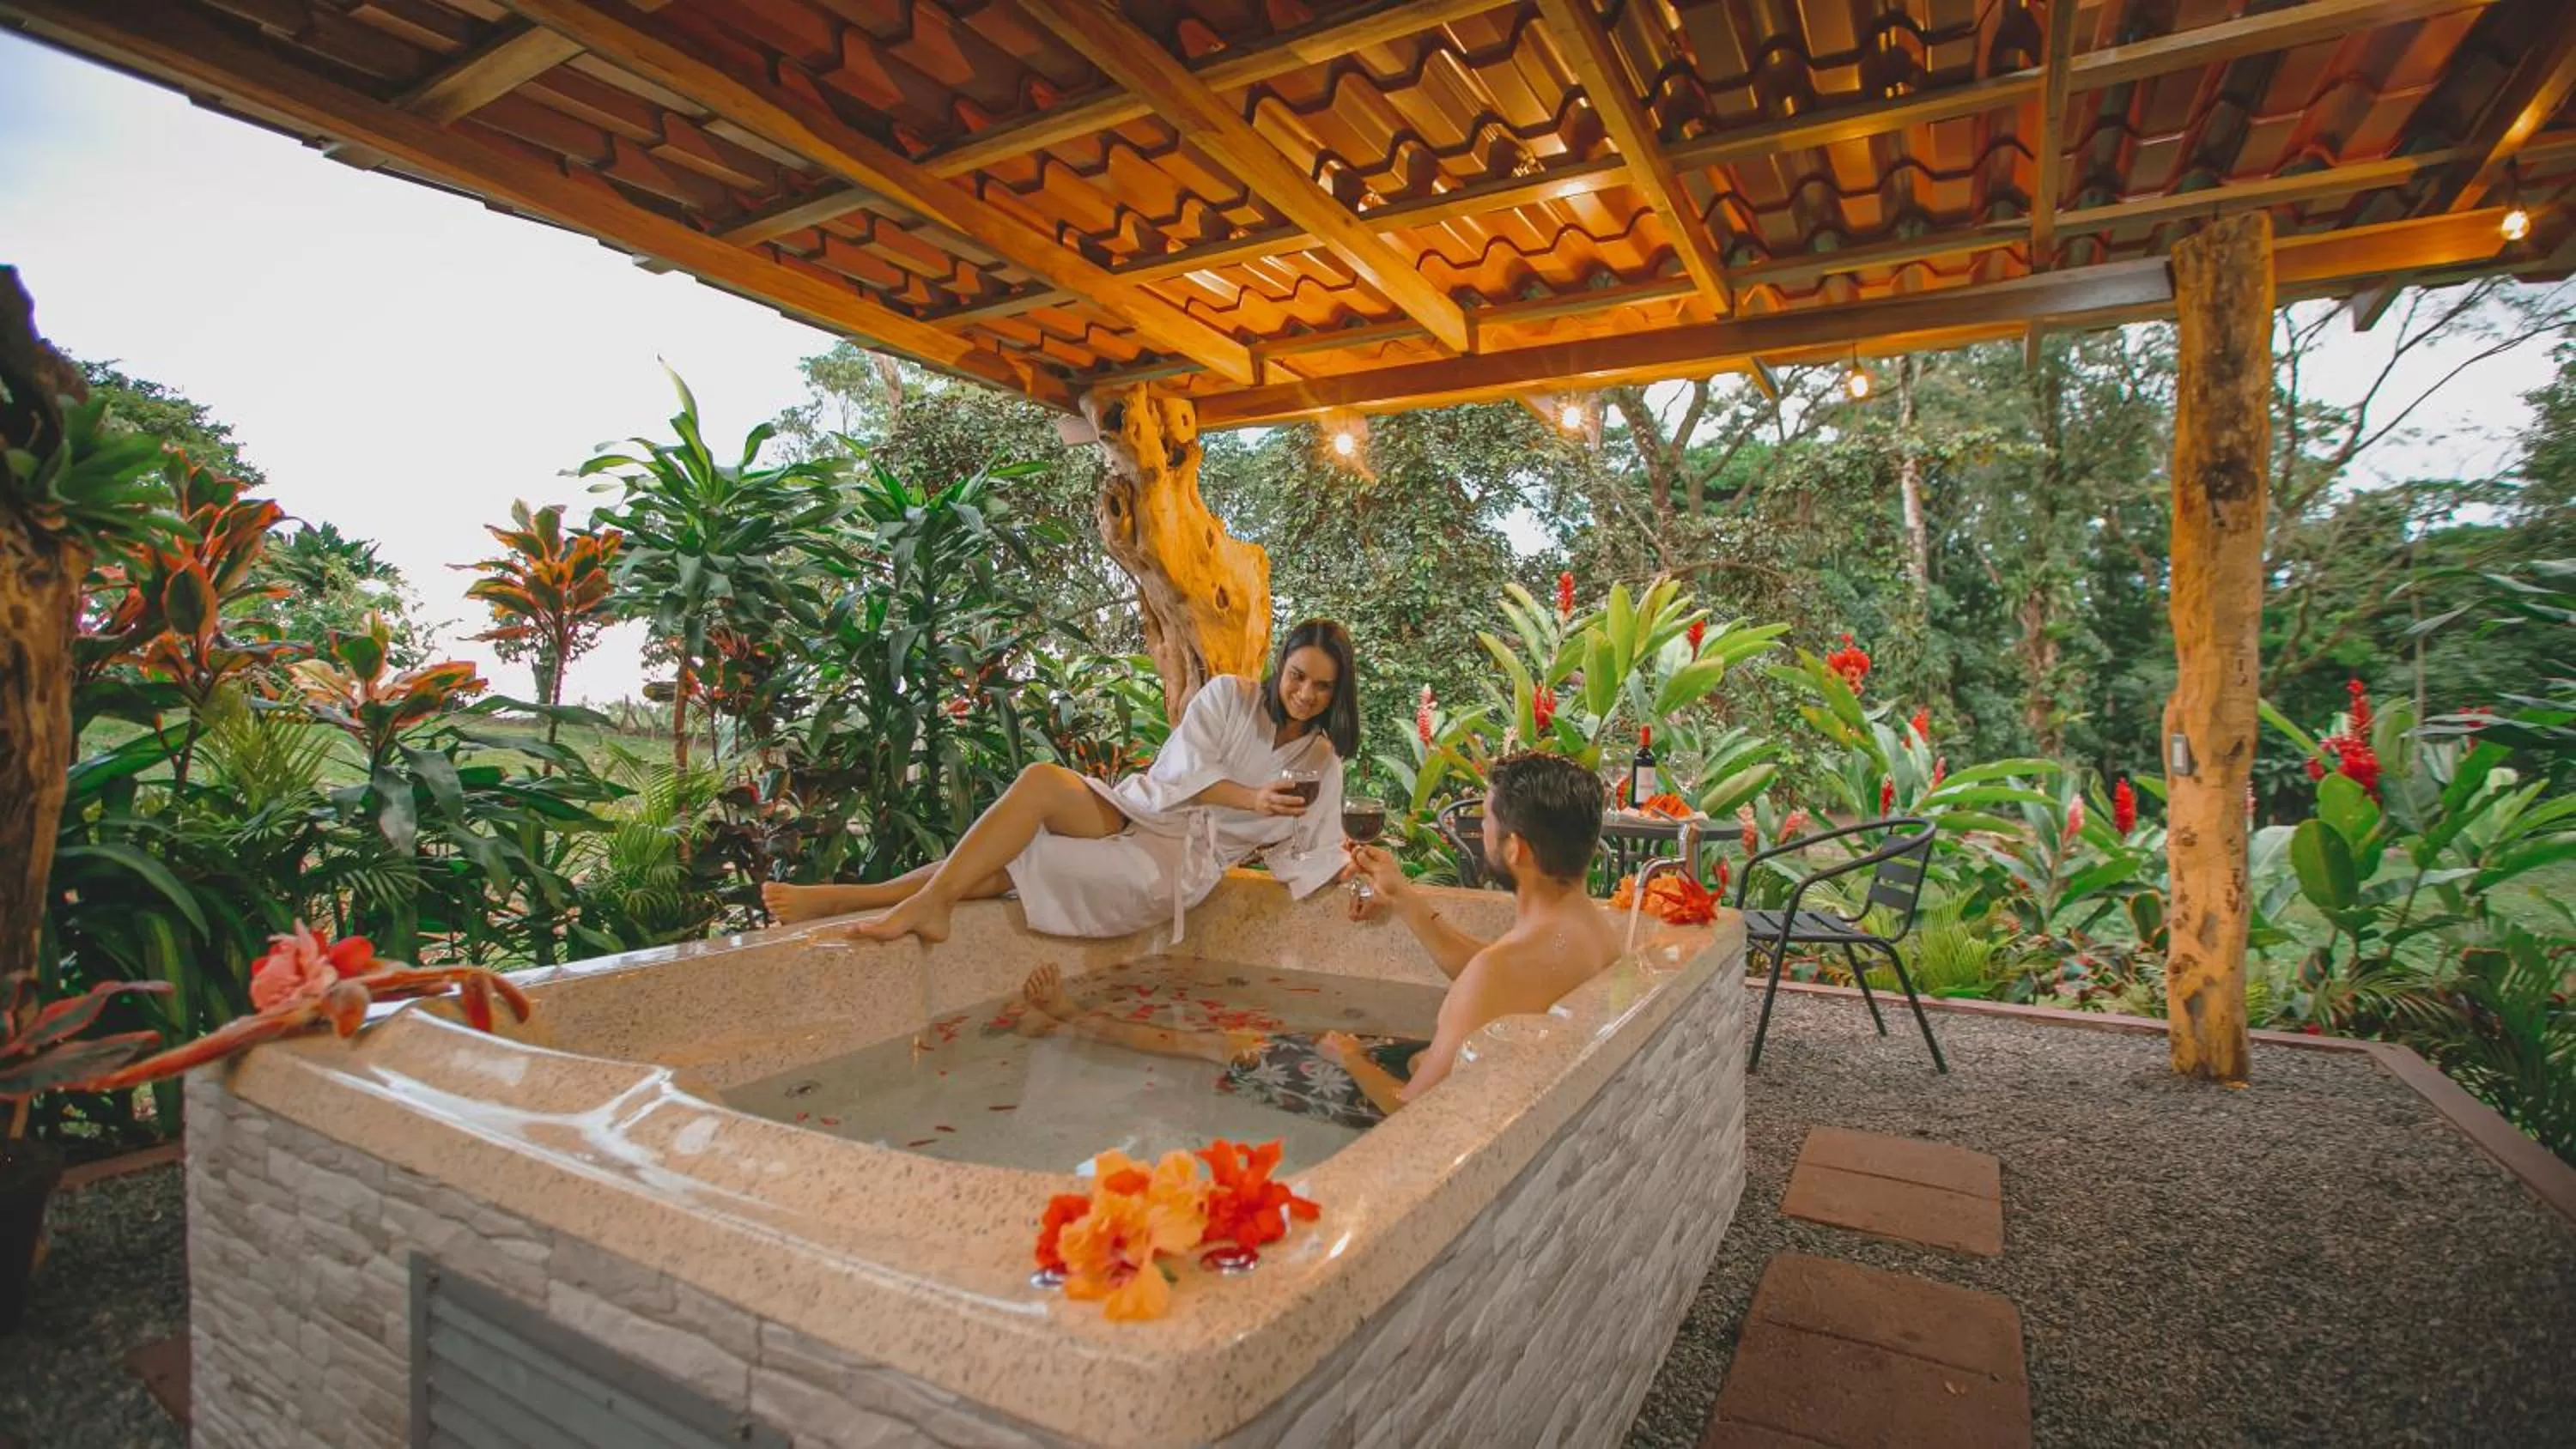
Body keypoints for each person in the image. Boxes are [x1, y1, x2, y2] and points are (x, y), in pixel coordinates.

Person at [1008, 752, 1620, 1128]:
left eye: (1484, 822)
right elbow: (1492, 974)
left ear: (1516, 849)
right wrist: (1404, 897)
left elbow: (1412, 1110)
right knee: (1288, 1037)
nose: (1478, 830)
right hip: (1454, 1074)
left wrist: (1347, 1057)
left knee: (1227, 1044)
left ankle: (1068, 1021)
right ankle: (1072, 1022)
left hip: (1400, 1101)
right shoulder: (1592, 931)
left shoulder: (1500, 970)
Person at [761, 620, 1362, 946]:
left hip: (1177, 864)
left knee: (1024, 857)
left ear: (1338, 693)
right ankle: (924, 902)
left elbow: (1310, 852)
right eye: (1297, 676)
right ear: (1280, 666)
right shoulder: (1230, 695)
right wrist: (1252, 798)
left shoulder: (1322, 763)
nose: (1305, 693)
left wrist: (1359, 875)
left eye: (1322, 686)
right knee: (1040, 781)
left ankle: (854, 899)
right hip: (1142, 808)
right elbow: (1186, 772)